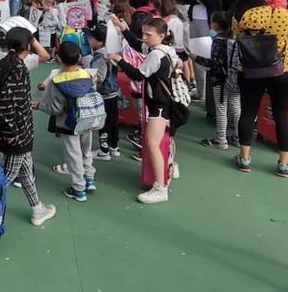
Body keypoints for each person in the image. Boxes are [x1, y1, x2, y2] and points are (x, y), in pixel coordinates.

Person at [0, 26, 57, 227]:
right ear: (28, 46)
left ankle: (38, 208)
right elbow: (8, 104)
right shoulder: (20, 70)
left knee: (25, 171)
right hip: (17, 134)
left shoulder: (1, 63)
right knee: (6, 177)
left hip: (5, 131)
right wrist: (13, 134)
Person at [108, 15, 187, 204]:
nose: (144, 37)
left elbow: (138, 74)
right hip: (164, 102)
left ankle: (160, 187)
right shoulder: (164, 49)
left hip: (158, 105)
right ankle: (169, 167)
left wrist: (120, 60)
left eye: (148, 34)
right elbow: (137, 44)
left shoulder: (155, 55)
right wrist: (123, 28)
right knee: (163, 141)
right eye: (143, 33)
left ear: (161, 35)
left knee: (151, 144)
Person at [232, 0, 288, 177]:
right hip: (282, 69)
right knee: (282, 114)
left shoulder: (241, 17)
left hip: (251, 70)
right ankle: (284, 163)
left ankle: (244, 158)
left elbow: (238, 37)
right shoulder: (281, 13)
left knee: (247, 112)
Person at [38, 40, 105, 203]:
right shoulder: (88, 75)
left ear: (59, 59)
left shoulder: (58, 80)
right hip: (88, 120)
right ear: (80, 57)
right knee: (86, 151)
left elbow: (55, 109)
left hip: (68, 124)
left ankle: (78, 188)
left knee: (73, 155)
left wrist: (39, 105)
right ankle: (89, 178)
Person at [182, 0, 223, 105]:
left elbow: (212, 2)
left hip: (207, 21)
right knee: (194, 55)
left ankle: (210, 94)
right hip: (193, 18)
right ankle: (200, 91)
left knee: (206, 55)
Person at [195, 11, 241, 149]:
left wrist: (195, 57)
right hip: (234, 78)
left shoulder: (217, 42)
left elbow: (214, 63)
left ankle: (220, 139)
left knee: (221, 109)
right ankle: (239, 136)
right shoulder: (234, 39)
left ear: (214, 25)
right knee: (236, 107)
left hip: (219, 80)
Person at [84, 24, 121, 160]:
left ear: (99, 41)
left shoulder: (100, 57)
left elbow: (99, 77)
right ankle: (114, 146)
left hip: (104, 94)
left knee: (103, 121)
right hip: (113, 92)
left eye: (91, 37)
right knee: (113, 120)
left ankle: (103, 150)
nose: (89, 39)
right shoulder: (113, 53)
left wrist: (87, 77)